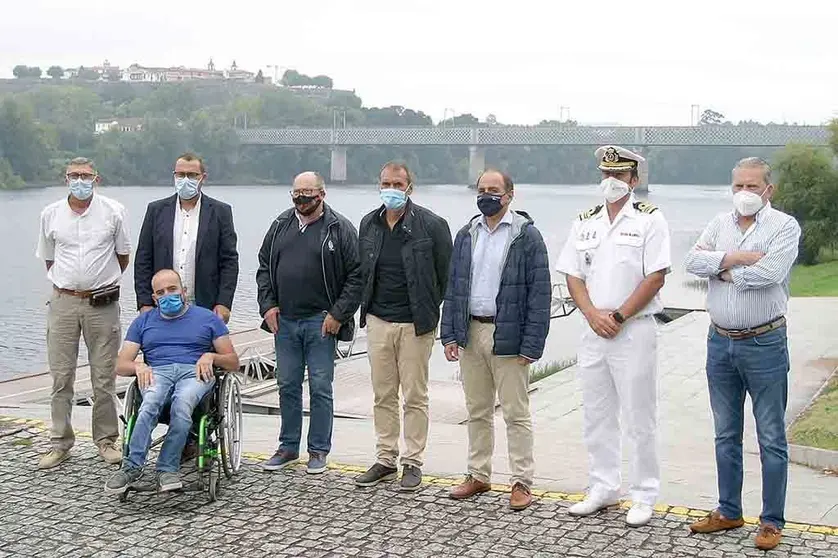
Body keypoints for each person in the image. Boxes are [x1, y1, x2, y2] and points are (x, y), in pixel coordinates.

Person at [684, 157, 800, 551]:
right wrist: (734, 259)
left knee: (770, 436)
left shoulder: (784, 226)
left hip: (764, 342)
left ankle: (771, 521)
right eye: (738, 187)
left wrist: (720, 268)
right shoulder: (720, 224)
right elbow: (691, 261)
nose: (745, 194)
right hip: (720, 342)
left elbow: (770, 275)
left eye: (753, 186)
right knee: (725, 433)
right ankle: (729, 509)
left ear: (769, 189)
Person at [556, 145, 671, 527]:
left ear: (634, 180)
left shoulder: (650, 219)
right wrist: (591, 314)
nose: (612, 182)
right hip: (594, 328)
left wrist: (619, 315)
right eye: (606, 175)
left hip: (633, 328)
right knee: (596, 413)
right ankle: (603, 486)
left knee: (640, 415)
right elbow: (572, 273)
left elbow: (656, 275)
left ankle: (644, 493)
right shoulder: (584, 220)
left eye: (620, 175)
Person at [440, 169, 551, 511]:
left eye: (494, 190)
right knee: (477, 410)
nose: (487, 194)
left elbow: (540, 294)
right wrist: (450, 333)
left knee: (516, 413)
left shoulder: (526, 236)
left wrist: (532, 344)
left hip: (509, 334)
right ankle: (478, 474)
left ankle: (521, 481)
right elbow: (454, 287)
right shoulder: (466, 234)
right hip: (471, 331)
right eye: (482, 189)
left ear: (509, 195)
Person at [353, 162, 453, 491]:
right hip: (378, 320)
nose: (391, 189)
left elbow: (445, 277)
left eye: (398, 183)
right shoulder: (369, 224)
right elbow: (361, 272)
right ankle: (385, 458)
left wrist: (428, 309)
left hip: (415, 324)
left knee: (414, 395)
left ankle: (412, 461)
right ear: (378, 185)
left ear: (410, 186)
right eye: (386, 183)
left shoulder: (433, 225)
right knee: (383, 394)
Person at [256, 171, 363, 474]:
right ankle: (288, 447)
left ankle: (318, 449)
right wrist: (267, 305)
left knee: (320, 387)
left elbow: (356, 276)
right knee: (287, 384)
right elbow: (264, 267)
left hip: (321, 322)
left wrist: (338, 314)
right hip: (284, 321)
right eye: (296, 193)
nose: (301, 199)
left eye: (307, 193)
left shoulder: (339, 228)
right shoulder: (279, 226)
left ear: (322, 194)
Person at [104, 269, 239, 493]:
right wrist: (138, 365)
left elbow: (233, 362)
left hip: (194, 371)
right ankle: (131, 467)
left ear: (183, 291)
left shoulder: (206, 318)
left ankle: (167, 469)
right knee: (149, 404)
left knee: (182, 404)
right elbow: (120, 365)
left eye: (172, 289)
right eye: (161, 292)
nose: (168, 295)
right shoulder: (143, 322)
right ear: (155, 299)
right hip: (158, 371)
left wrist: (211, 356)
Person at [35, 157, 131, 470]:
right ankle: (60, 443)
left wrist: (97, 282)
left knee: (103, 376)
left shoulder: (113, 211)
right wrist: (71, 285)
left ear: (96, 179)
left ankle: (106, 441)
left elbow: (123, 256)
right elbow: (49, 258)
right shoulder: (50, 214)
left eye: (85, 175)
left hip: (101, 304)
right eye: (74, 175)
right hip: (63, 302)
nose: (80, 180)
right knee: (61, 376)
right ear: (65, 179)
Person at [134, 152, 239, 323]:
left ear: (202, 178)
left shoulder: (221, 212)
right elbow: (143, 259)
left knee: (207, 349)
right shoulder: (156, 211)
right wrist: (144, 303)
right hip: (162, 304)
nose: (185, 179)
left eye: (192, 175)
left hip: (205, 305)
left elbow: (229, 262)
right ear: (174, 176)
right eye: (181, 175)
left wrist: (224, 303)